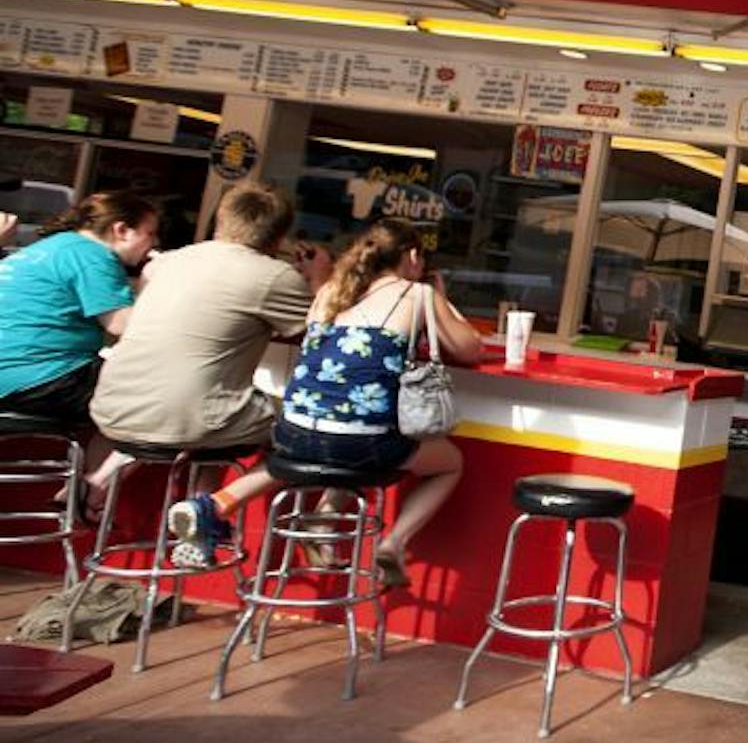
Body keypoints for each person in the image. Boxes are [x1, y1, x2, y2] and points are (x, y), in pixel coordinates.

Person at [92, 183, 330, 565]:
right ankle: (212, 509)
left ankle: (108, 489)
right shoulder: (273, 277)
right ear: (280, 235)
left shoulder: (163, 263)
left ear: (220, 220)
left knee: (221, 408)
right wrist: (319, 278)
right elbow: (326, 336)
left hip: (111, 408)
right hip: (192, 418)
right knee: (304, 434)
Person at [262, 219, 482, 589]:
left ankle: (322, 521)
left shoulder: (330, 290)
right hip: (361, 443)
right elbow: (470, 348)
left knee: (356, 431)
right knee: (448, 463)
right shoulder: (416, 294)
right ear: (413, 257)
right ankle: (394, 543)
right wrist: (440, 296)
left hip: (292, 434)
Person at [0, 191, 156, 458]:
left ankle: (84, 488)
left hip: (12, 376)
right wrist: (151, 282)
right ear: (121, 230)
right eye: (150, 233)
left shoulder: (49, 248)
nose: (154, 243)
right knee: (156, 395)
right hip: (44, 378)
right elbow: (122, 325)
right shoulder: (93, 255)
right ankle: (93, 488)